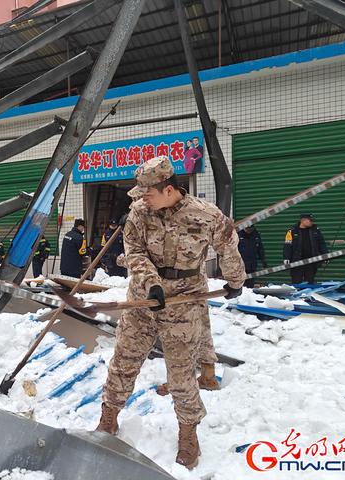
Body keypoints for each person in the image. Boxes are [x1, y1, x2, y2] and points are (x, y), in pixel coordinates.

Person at [95, 156, 245, 470]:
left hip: (186, 300)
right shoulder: (139, 212)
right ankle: (108, 417)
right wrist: (151, 284)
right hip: (144, 299)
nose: (142, 198)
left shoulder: (205, 215)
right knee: (124, 359)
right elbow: (134, 251)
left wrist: (235, 281)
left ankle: (188, 434)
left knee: (180, 372)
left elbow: (229, 244)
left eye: (148, 192)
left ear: (168, 189)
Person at [283, 213, 328, 284]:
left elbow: (321, 243)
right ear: (303, 220)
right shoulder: (291, 231)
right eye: (310, 220)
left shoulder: (315, 230)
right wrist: (286, 257)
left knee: (309, 282)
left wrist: (325, 255)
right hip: (296, 262)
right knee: (296, 282)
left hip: (311, 261)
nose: (312, 222)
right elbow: (287, 245)